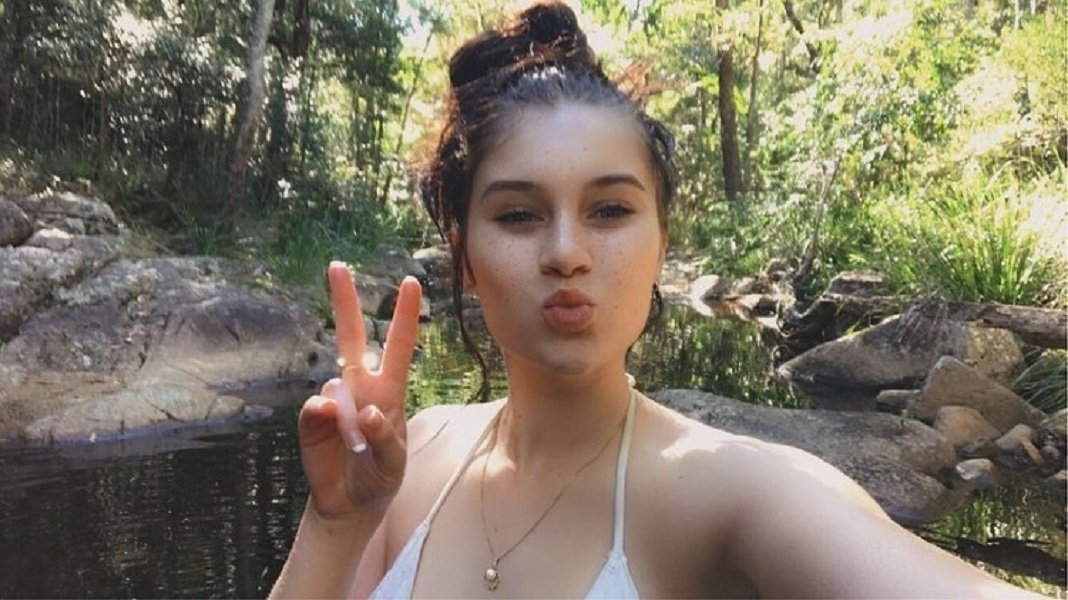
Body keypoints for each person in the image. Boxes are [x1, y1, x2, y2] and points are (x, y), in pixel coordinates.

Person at [270, 2, 1043, 598]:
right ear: (464, 254)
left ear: (661, 244)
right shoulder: (413, 458)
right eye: (518, 215)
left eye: (610, 210)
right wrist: (336, 522)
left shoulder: (731, 489)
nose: (567, 252)